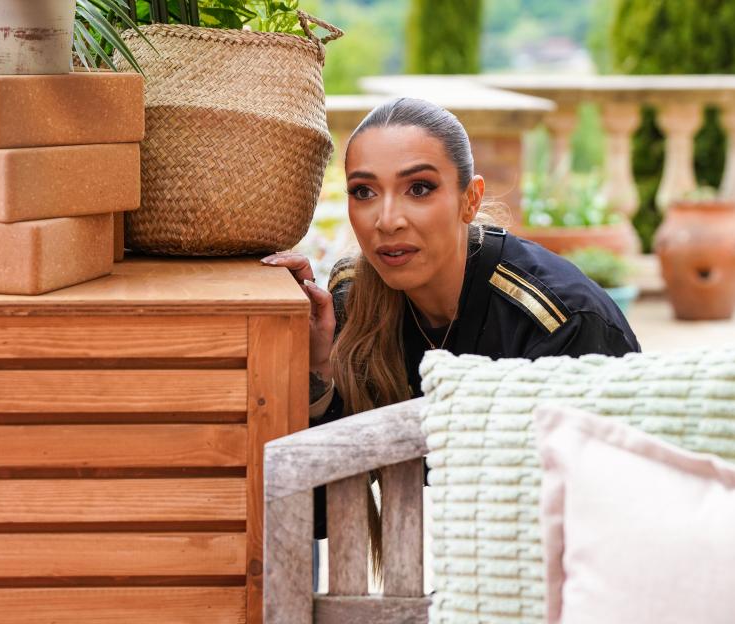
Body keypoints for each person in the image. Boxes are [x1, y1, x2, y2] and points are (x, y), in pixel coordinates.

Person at [261, 97, 640, 547]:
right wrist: (318, 369)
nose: (387, 220)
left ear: (470, 199)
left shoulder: (559, 321)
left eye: (418, 188)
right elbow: (315, 517)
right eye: (364, 191)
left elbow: (606, 520)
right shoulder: (355, 296)